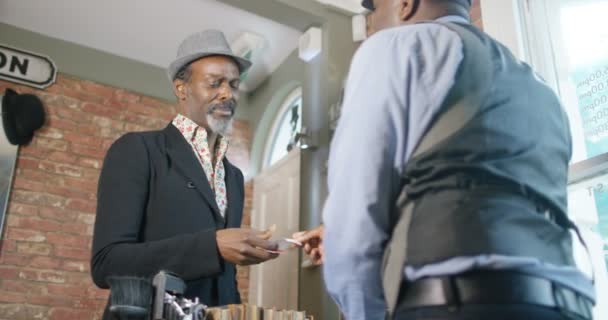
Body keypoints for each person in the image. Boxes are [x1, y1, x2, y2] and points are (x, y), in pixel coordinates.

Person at [295, 0, 596, 319]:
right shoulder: (543, 92)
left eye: (373, 11)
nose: (369, 25)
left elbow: (355, 216)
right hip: (566, 303)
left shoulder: (394, 46)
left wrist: (362, 313)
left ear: (405, 4)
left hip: (457, 303)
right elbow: (485, 186)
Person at [91, 30, 278, 319]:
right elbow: (107, 263)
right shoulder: (136, 150)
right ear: (182, 88)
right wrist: (213, 246)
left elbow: (226, 276)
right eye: (215, 83)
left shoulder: (235, 178)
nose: (227, 93)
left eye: (234, 84)